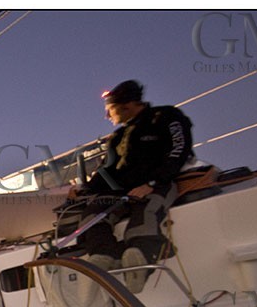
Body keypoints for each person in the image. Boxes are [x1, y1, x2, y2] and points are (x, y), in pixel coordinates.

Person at [67, 80, 194, 292]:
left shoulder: (166, 117)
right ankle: (106, 256)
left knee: (146, 211)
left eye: (110, 110)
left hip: (158, 184)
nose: (107, 117)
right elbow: (107, 169)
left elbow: (179, 149)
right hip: (121, 192)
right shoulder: (118, 137)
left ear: (126, 106)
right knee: (92, 215)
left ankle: (140, 263)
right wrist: (86, 189)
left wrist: (153, 183)